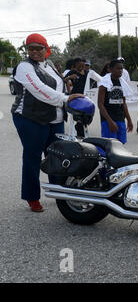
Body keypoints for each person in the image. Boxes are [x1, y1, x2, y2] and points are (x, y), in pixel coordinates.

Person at [11, 33, 83, 212]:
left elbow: (55, 83)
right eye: (31, 48)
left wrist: (67, 83)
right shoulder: (24, 67)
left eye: (39, 48)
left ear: (46, 49)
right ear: (27, 50)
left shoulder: (49, 64)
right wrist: (66, 98)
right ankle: (32, 197)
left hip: (54, 118)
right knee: (33, 157)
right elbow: (39, 90)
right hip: (30, 117)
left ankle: (58, 193)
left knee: (58, 157)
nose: (35, 51)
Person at [97, 59, 133, 144]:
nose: (120, 71)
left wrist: (129, 120)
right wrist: (110, 121)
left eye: (121, 69)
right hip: (108, 119)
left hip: (120, 118)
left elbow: (123, 103)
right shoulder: (104, 83)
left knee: (121, 145)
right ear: (110, 69)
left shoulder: (122, 83)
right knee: (110, 146)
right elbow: (100, 104)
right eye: (118, 68)